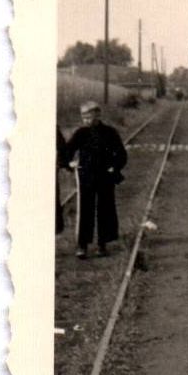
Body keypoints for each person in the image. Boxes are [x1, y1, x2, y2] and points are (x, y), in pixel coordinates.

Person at [63, 101, 127, 259]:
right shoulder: (81, 133)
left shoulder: (110, 132)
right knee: (85, 210)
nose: (86, 120)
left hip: (105, 176)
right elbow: (67, 151)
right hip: (86, 176)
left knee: (105, 209)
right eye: (84, 117)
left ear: (98, 115)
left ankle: (102, 244)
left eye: (89, 117)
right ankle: (82, 245)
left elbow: (121, 153)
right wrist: (69, 163)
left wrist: (115, 167)